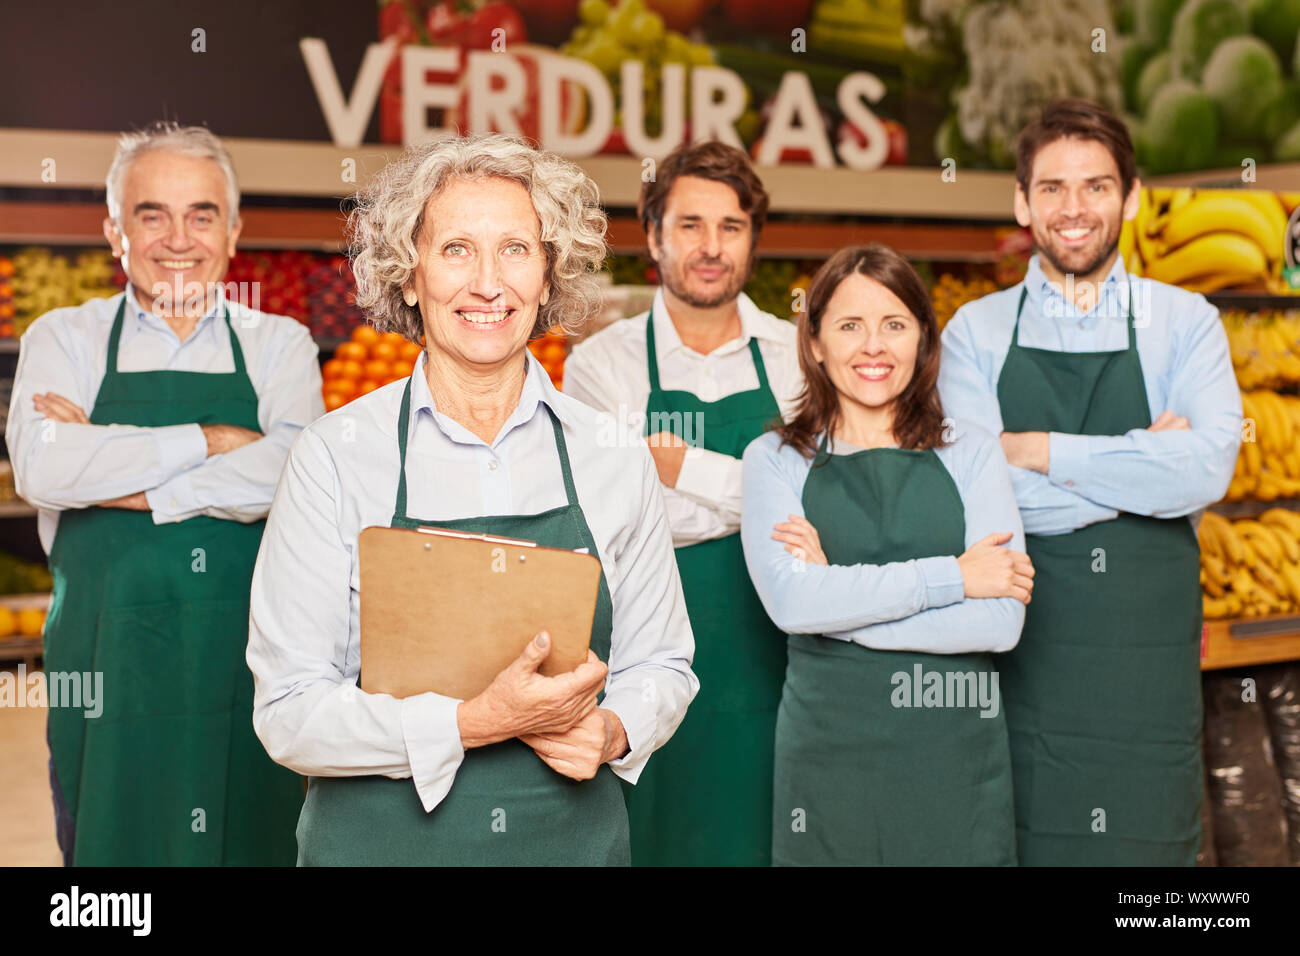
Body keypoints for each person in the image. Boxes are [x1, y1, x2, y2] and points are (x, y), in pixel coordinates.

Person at [246, 133, 698, 866]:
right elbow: (289, 711)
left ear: (549, 277)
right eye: (456, 249)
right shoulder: (335, 456)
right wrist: (471, 722)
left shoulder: (610, 455)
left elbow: (664, 664)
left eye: (516, 249)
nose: (488, 283)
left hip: (569, 843)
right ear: (409, 277)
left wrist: (612, 729)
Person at [6, 121, 320, 865]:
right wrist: (211, 439)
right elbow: (46, 470)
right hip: (105, 667)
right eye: (152, 214)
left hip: (249, 664)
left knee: (253, 843)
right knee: (111, 868)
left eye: (201, 214)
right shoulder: (65, 337)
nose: (178, 238)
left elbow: (295, 473)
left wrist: (127, 480)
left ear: (233, 229)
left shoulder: (280, 344)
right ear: (114, 231)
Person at [938, 98, 1242, 866]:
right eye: (1052, 188)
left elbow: (1208, 467)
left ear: (1131, 197)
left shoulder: (1186, 321)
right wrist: (1142, 463)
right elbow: (978, 492)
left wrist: (1036, 447)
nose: (1074, 210)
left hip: (1146, 666)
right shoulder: (973, 332)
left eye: (1097, 186)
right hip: (1022, 652)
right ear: (1022, 201)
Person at [741, 243, 1031, 866]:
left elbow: (1001, 622)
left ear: (924, 340)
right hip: (828, 758)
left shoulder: (972, 451)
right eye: (850, 326)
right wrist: (955, 575)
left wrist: (838, 607)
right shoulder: (773, 460)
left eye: (894, 325)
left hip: (955, 757)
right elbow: (792, 604)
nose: (873, 346)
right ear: (814, 342)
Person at [564, 141, 802, 866]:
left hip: (776, 658)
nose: (711, 247)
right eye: (691, 225)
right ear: (654, 235)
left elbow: (821, 505)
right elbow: (617, 516)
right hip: (641, 657)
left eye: (731, 227)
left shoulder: (798, 356)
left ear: (753, 240)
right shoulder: (601, 365)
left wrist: (679, 463)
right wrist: (760, 492)